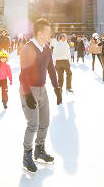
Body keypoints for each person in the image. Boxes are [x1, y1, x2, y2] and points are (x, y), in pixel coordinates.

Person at [19, 18, 62, 173]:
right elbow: (23, 74)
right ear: (39, 33)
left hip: (42, 89)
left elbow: (51, 69)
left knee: (45, 122)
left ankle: (39, 150)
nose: (50, 34)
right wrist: (27, 93)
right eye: (48, 32)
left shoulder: (47, 48)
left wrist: (57, 88)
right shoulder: (28, 48)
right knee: (33, 124)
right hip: (28, 89)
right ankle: (27, 156)